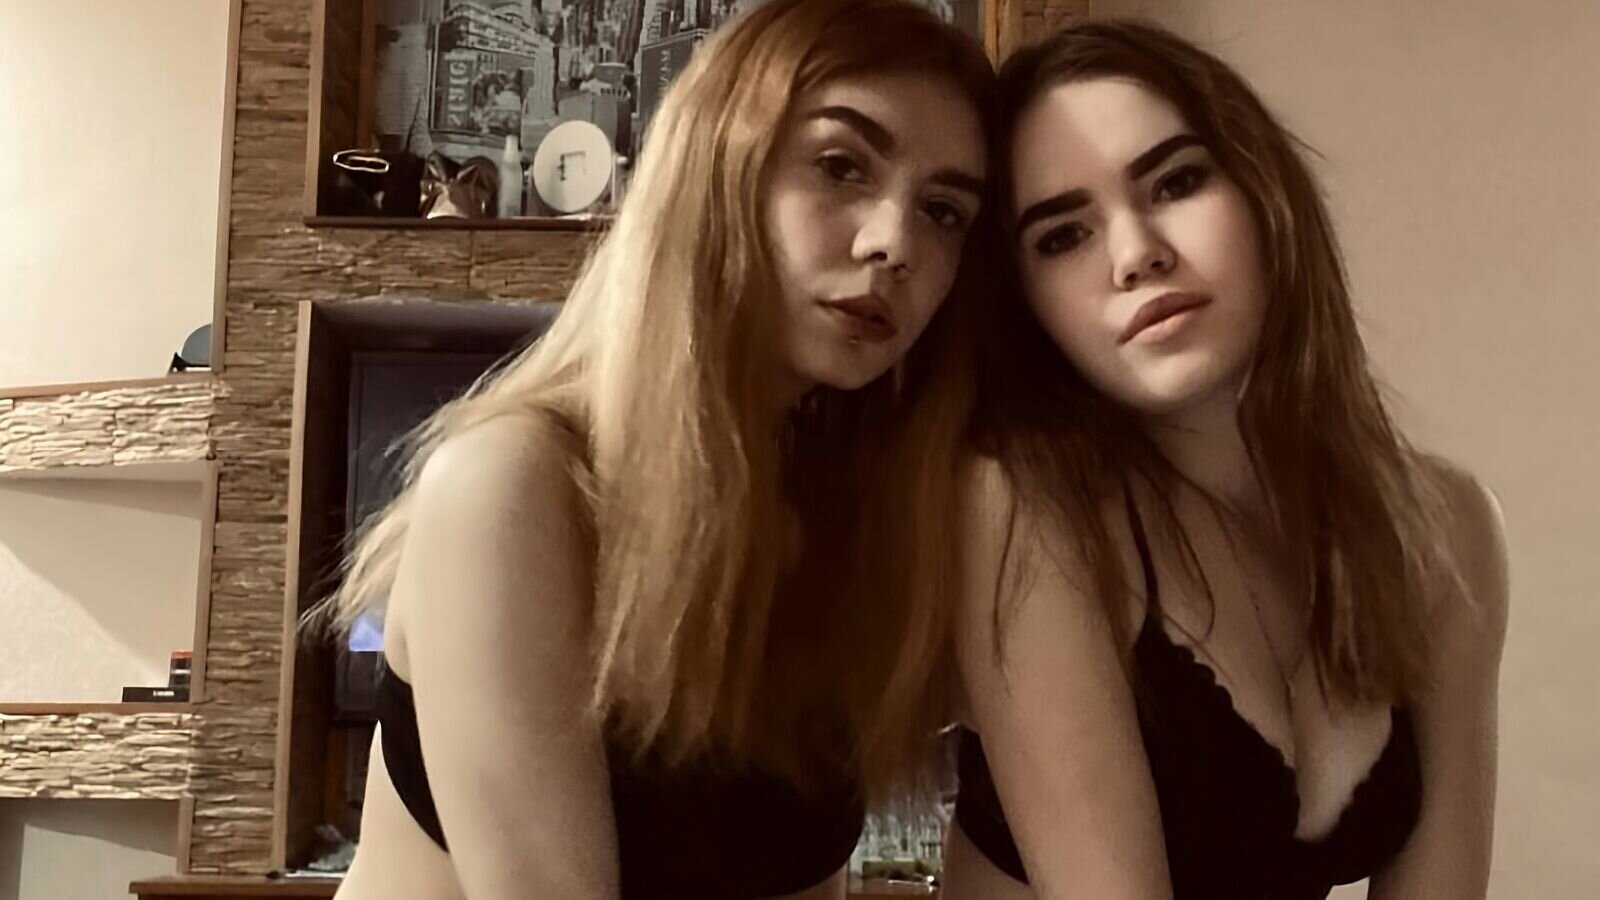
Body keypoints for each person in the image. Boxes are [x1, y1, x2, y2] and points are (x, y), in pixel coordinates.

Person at [324, 1, 997, 898]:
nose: (895, 243)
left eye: (943, 211)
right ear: (714, 171)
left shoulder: (831, 527)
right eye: (840, 166)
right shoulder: (512, 487)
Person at [944, 20, 1508, 900]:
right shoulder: (1024, 507)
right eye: (1062, 235)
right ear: (1026, 304)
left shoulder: (1446, 530)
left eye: (1175, 182)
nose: (1136, 254)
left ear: (1264, 191)